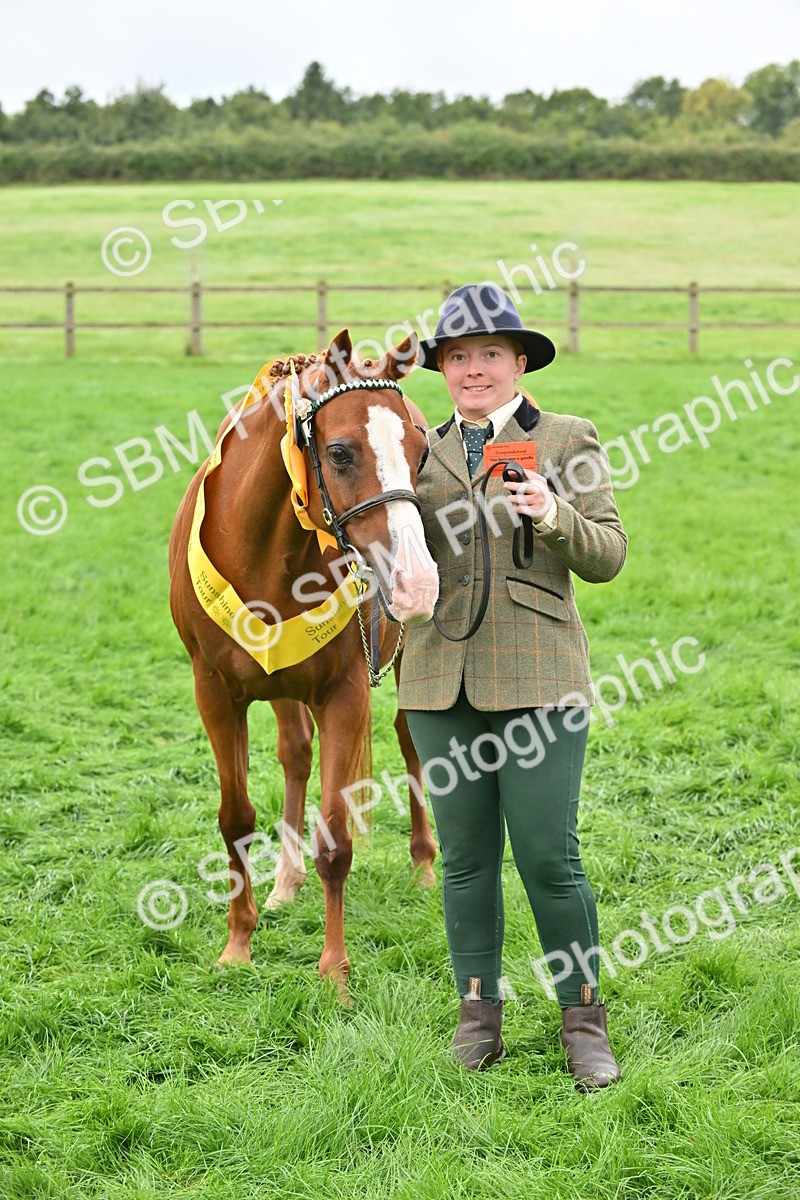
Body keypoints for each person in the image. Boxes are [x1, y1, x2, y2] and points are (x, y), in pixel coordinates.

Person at [398, 283, 628, 1090]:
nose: (472, 370)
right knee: (463, 859)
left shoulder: (567, 437)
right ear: (442, 369)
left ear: (519, 361)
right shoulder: (413, 449)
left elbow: (608, 555)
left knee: (547, 857)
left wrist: (555, 512)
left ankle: (583, 1020)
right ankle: (477, 1016)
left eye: (489, 354)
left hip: (540, 677)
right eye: (458, 357)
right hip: (434, 677)